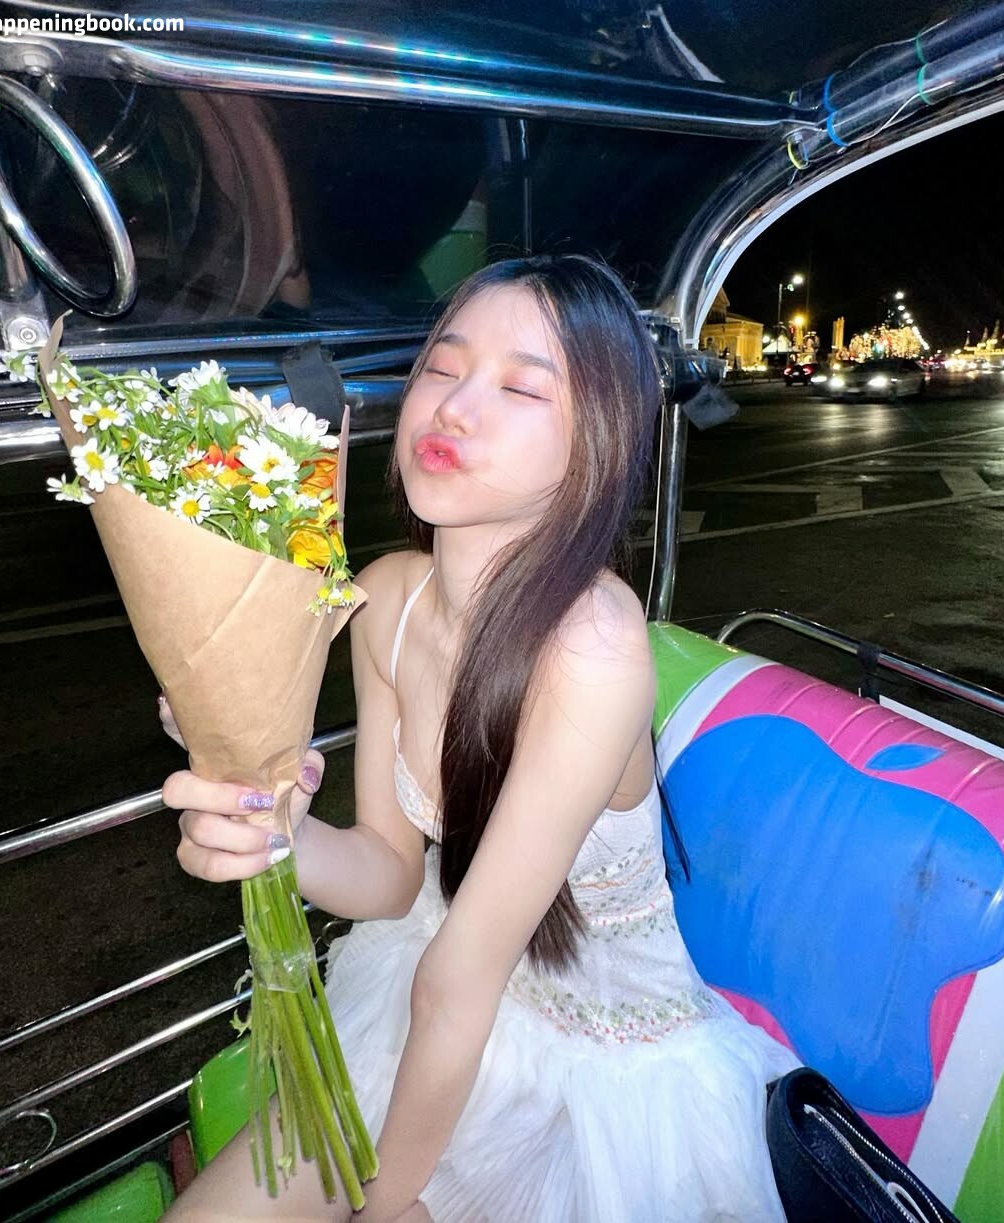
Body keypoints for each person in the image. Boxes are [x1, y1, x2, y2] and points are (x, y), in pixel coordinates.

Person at [160, 254, 798, 1222]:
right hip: (430, 993)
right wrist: (277, 828)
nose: (454, 408)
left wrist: (385, 1200)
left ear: (594, 443)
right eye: (442, 367)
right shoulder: (385, 600)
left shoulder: (589, 645)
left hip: (598, 1072)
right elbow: (387, 874)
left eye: (520, 387)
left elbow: (464, 976)